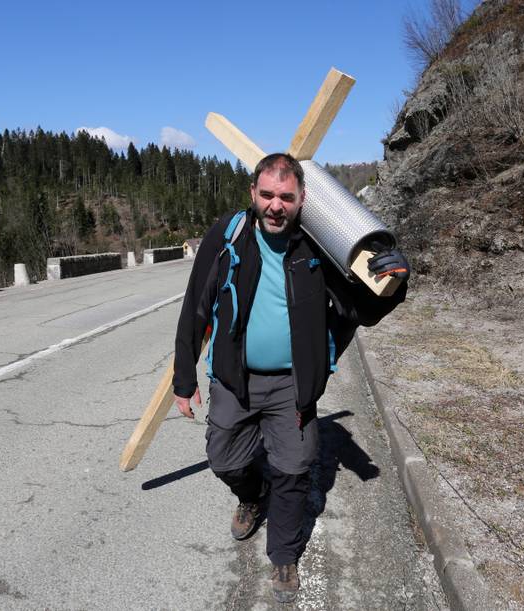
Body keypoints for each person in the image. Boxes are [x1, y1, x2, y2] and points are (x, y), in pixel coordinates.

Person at [172, 153, 409, 603]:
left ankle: (283, 552)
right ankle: (251, 493)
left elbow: (360, 308)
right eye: (267, 195)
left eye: (286, 196)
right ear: (253, 195)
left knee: (293, 470)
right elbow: (195, 308)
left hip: (291, 387)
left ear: (302, 199)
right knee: (223, 460)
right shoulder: (228, 237)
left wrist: (395, 281)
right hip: (234, 379)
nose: (275, 205)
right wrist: (184, 380)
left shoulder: (316, 249)